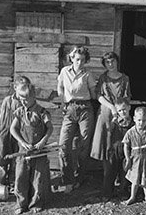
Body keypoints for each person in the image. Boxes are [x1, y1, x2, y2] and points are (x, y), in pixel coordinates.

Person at [8, 79, 53, 215]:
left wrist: (42, 142)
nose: (23, 102)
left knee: (38, 178)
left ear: (34, 97)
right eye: (21, 99)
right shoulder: (20, 112)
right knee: (21, 176)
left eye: (26, 99)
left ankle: (36, 203)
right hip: (24, 151)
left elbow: (49, 129)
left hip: (39, 150)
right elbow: (13, 129)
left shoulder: (41, 112)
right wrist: (22, 142)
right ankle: (21, 204)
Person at [56, 44, 96, 185]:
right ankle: (67, 179)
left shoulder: (88, 74)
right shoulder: (64, 71)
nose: (80, 63)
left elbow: (93, 94)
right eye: (77, 59)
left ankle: (79, 177)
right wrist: (63, 100)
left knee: (84, 144)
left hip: (85, 108)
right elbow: (60, 87)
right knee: (64, 144)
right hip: (69, 109)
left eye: (83, 60)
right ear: (72, 58)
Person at [90, 52, 131, 163]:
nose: (110, 64)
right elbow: (98, 95)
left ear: (117, 61)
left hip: (120, 113)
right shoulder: (103, 78)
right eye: (107, 62)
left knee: (119, 141)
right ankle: (107, 173)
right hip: (106, 112)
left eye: (112, 61)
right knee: (106, 141)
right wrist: (111, 107)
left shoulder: (124, 79)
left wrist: (121, 110)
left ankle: (120, 173)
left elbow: (127, 97)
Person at [123, 105, 146, 207]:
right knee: (135, 180)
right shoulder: (130, 132)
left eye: (144, 121)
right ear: (134, 119)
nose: (141, 123)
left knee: (145, 180)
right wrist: (127, 158)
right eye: (139, 120)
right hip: (135, 160)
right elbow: (125, 145)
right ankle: (132, 197)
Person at [0, 75, 31, 170]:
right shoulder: (8, 101)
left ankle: (13, 179)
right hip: (5, 131)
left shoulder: (26, 102)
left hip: (19, 133)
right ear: (15, 88)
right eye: (23, 87)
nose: (25, 90)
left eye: (27, 87)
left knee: (16, 156)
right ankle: (1, 180)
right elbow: (1, 117)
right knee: (2, 155)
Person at [102, 100, 132, 196]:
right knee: (110, 172)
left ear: (129, 108)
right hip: (114, 150)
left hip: (126, 151)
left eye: (124, 109)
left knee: (125, 172)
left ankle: (123, 192)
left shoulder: (133, 124)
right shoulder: (115, 123)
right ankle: (107, 193)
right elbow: (108, 134)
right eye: (119, 111)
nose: (122, 112)